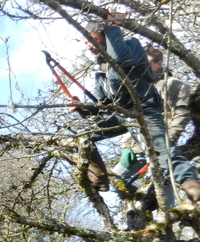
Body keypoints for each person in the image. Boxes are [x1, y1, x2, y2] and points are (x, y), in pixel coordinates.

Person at [68, 10, 200, 202]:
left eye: (91, 39)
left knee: (164, 155)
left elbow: (120, 59)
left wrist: (114, 27)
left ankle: (195, 192)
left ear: (105, 36)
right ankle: (99, 180)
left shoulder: (132, 46)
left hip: (144, 111)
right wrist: (84, 107)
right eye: (85, 41)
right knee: (80, 136)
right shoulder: (100, 66)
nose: (88, 45)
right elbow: (105, 104)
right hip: (121, 114)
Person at [113, 48, 192, 193]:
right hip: (138, 146)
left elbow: (182, 113)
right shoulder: (139, 86)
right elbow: (132, 118)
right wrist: (126, 146)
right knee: (116, 180)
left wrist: (169, 140)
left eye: (146, 62)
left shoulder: (174, 84)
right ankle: (141, 201)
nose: (142, 66)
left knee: (163, 187)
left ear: (159, 63)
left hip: (159, 144)